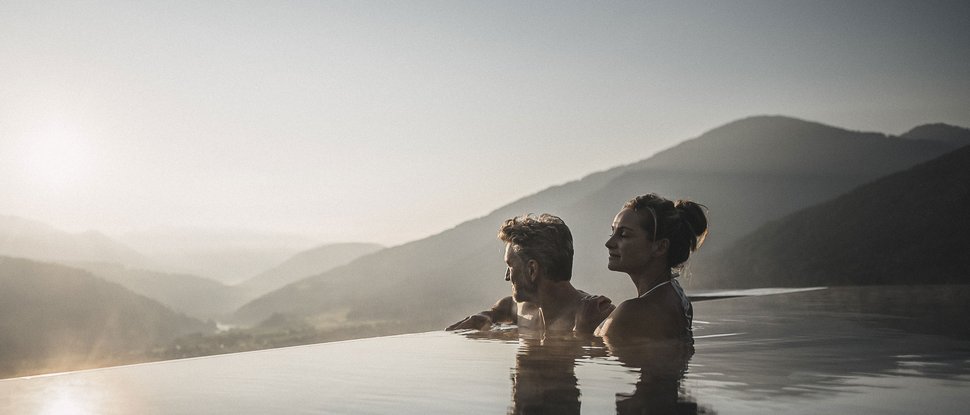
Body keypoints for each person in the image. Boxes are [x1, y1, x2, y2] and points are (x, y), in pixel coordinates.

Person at [446, 213, 614, 333]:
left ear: (532, 270)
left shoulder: (595, 315)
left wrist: (581, 334)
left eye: (510, 266)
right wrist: (487, 315)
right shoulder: (525, 309)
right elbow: (506, 306)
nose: (506, 277)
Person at [593, 194, 708, 340]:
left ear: (660, 247)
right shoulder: (677, 297)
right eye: (613, 232)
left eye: (623, 235)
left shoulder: (631, 312)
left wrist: (582, 327)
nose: (609, 243)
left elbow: (599, 354)